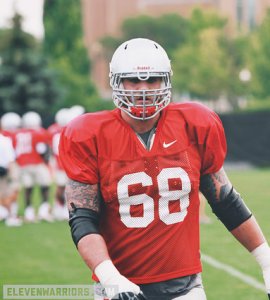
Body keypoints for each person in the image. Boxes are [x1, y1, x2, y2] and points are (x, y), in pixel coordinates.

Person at [59, 38, 270, 300]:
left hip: (185, 288)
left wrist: (266, 261)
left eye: (153, 80)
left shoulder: (194, 125)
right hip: (118, 286)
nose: (144, 90)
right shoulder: (89, 134)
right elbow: (82, 219)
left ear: (166, 81)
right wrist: (111, 278)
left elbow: (225, 200)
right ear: (116, 82)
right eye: (134, 81)